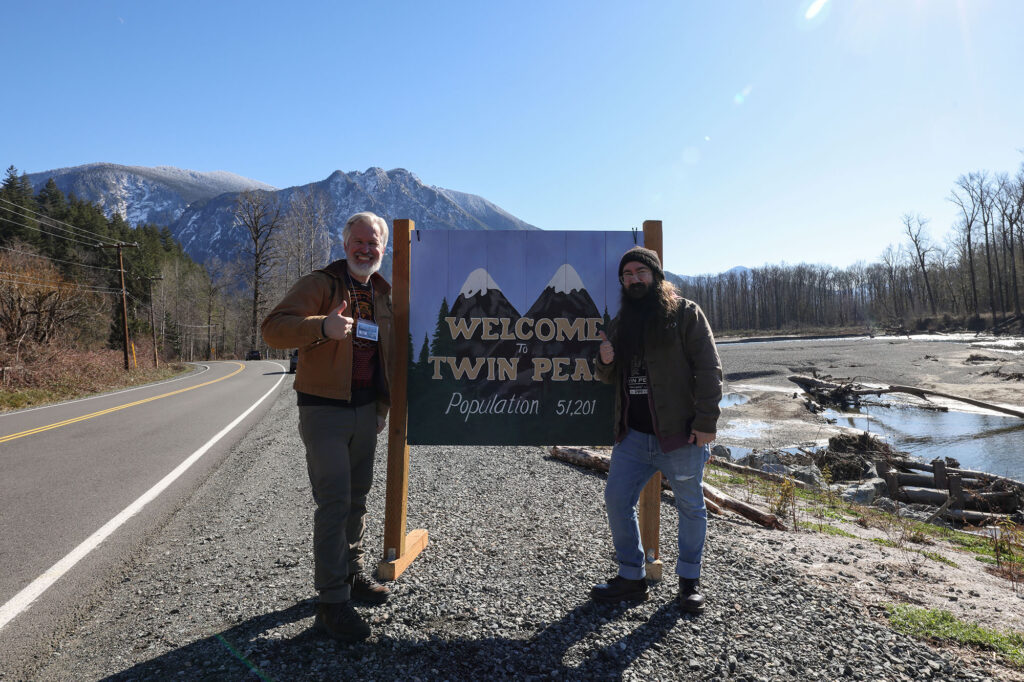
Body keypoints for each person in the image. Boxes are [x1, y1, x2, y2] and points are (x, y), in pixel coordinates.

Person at [261, 211, 394, 642]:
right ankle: (332, 603)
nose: (365, 249)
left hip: (364, 409)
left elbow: (387, 353)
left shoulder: (384, 292)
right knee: (334, 502)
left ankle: (352, 574)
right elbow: (274, 330)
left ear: (383, 248)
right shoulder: (321, 284)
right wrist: (323, 326)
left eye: (373, 243)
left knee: (357, 498)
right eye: (358, 241)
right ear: (345, 244)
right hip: (323, 410)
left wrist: (382, 406)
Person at [591, 246, 723, 614]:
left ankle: (689, 583)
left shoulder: (686, 315)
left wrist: (705, 425)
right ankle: (632, 577)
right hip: (633, 436)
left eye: (640, 272)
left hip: (680, 436)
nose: (633, 279)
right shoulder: (621, 323)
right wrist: (603, 362)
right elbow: (607, 376)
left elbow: (710, 371)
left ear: (656, 275)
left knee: (691, 507)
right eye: (627, 275)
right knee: (617, 500)